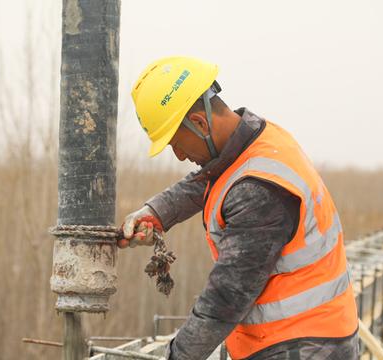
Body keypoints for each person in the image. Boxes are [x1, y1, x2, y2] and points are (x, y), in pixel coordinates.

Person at [119, 56, 359, 360]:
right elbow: (211, 178)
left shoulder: (258, 192)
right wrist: (156, 211)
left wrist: (176, 356)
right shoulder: (260, 141)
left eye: (176, 143)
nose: (179, 156)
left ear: (199, 123)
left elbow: (226, 297)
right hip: (307, 336)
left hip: (301, 344)